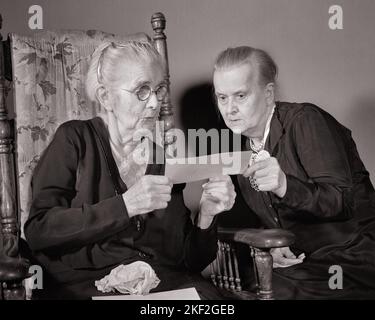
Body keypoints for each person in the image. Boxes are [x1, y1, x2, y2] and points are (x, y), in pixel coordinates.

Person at [24, 40, 236, 299]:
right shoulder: (74, 139)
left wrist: (206, 216)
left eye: (159, 89)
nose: (155, 102)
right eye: (142, 90)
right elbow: (39, 231)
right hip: (86, 285)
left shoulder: (163, 157)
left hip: (160, 286)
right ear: (106, 97)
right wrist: (125, 205)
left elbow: (189, 261)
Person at [212, 46, 375, 299]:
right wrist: (277, 245)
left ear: (268, 94)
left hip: (352, 256)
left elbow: (342, 200)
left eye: (240, 96)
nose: (229, 108)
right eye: (222, 97)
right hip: (303, 261)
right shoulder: (243, 151)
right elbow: (275, 218)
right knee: (230, 290)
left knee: (269, 293)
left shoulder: (305, 120)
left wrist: (285, 185)